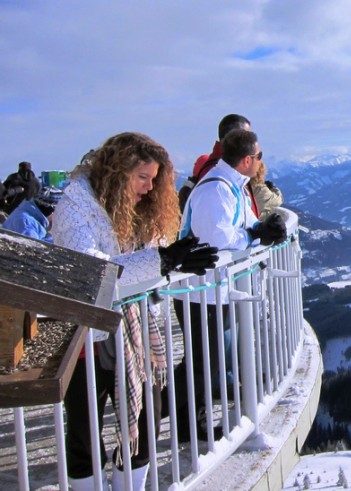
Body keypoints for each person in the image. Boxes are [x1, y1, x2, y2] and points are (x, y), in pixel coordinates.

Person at [51, 132, 218, 491]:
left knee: (144, 426)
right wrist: (159, 261)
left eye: (154, 179)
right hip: (86, 339)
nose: (149, 187)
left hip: (135, 333)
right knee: (85, 432)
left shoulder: (139, 212)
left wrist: (170, 261)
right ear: (117, 170)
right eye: (143, 177)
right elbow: (90, 271)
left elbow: (151, 263)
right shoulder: (76, 206)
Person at [174, 128, 286, 441]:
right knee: (201, 365)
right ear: (247, 159)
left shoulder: (232, 186)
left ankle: (190, 425)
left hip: (211, 290)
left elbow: (245, 223)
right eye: (259, 156)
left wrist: (263, 227)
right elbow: (219, 239)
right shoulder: (216, 190)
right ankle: (158, 413)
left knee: (205, 363)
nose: (261, 161)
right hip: (197, 291)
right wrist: (254, 236)